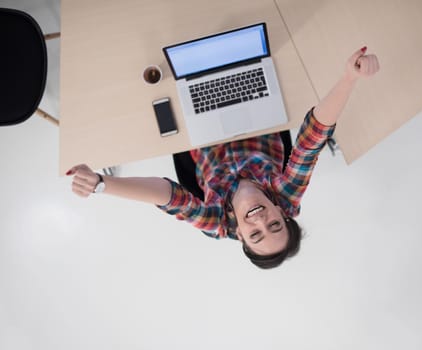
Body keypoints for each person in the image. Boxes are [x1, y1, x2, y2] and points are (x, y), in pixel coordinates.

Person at [68, 47, 380, 269]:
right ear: (283, 214)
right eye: (274, 225)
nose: (260, 220)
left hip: (201, 125)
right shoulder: (287, 195)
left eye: (255, 234)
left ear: (241, 237)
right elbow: (311, 141)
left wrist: (100, 184)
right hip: (254, 107)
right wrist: (349, 79)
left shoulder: (215, 222)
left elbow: (167, 196)